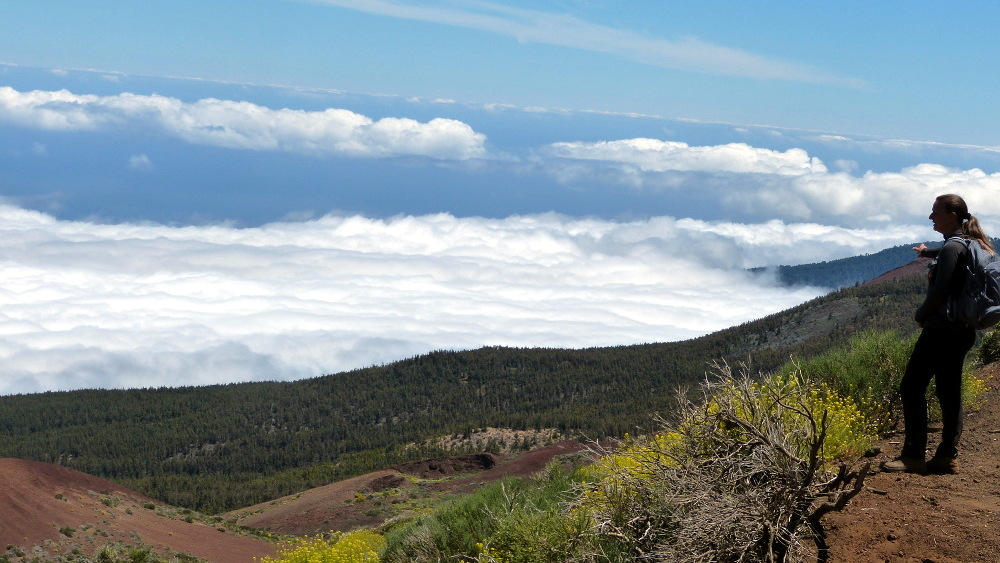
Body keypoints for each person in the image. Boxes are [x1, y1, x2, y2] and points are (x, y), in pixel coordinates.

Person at [882, 194, 994, 474]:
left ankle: (913, 455)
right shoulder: (972, 243)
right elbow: (949, 255)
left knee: (912, 387)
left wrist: (920, 315)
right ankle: (946, 456)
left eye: (935, 212)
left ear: (952, 215)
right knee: (949, 392)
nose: (931, 217)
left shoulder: (953, 248)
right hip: (963, 331)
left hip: (941, 331)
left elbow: (941, 289)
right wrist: (926, 253)